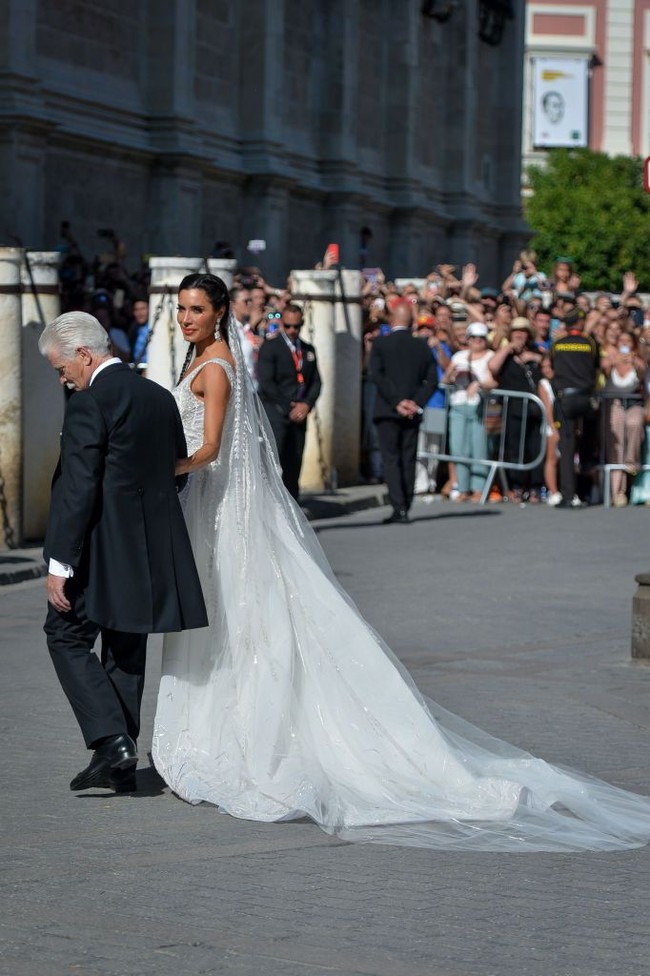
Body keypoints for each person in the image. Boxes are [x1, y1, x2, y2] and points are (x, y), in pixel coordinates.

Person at [152, 272, 650, 853]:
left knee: (240, 619)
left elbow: (209, 448)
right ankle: (218, 727)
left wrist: (167, 467)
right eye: (180, 309)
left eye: (196, 309)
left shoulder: (214, 367)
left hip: (220, 506)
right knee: (225, 617)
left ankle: (245, 738)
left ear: (218, 315)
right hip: (209, 509)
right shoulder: (200, 358)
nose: (186, 318)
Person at [39, 311, 208, 794]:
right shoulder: (158, 396)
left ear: (84, 355)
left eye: (61, 367)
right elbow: (180, 469)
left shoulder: (91, 402)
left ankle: (112, 740)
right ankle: (119, 762)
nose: (62, 377)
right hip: (150, 545)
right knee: (126, 646)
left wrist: (59, 562)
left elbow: (78, 487)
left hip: (95, 548)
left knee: (65, 636)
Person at [369, 300, 438, 522]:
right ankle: (405, 504)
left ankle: (398, 505)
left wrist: (398, 402)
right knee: (408, 457)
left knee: (392, 459)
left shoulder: (381, 344)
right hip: (410, 412)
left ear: (392, 319)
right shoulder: (422, 346)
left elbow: (377, 376)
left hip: (388, 410)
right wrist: (415, 403)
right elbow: (431, 380)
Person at [257, 303, 322, 500]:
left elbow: (317, 382)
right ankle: (270, 504)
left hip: (299, 414)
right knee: (273, 461)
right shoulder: (270, 347)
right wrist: (289, 406)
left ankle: (293, 503)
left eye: (297, 326)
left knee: (294, 462)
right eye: (288, 326)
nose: (293, 330)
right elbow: (266, 382)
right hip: (277, 413)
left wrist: (306, 404)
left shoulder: (308, 349)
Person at [488, 318, 544, 503]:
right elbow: (493, 367)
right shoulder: (506, 356)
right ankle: (516, 486)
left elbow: (549, 367)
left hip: (535, 410)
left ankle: (535, 488)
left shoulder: (536, 352)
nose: (519, 335)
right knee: (515, 449)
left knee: (535, 448)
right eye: (515, 331)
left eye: (523, 331)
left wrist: (535, 358)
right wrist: (508, 347)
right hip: (513, 409)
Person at [551, 308, 600, 507]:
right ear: (579, 323)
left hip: (566, 399)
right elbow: (596, 367)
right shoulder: (590, 342)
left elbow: (553, 365)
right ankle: (587, 466)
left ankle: (568, 494)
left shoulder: (558, 344)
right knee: (589, 436)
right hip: (586, 397)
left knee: (567, 445)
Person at [443, 322, 495, 502]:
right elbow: (445, 379)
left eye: (481, 338)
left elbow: (494, 382)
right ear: (468, 339)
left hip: (479, 407)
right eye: (473, 338)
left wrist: (479, 383)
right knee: (458, 448)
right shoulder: (459, 356)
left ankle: (478, 489)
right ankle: (463, 488)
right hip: (458, 404)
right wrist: (451, 376)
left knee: (479, 448)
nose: (477, 341)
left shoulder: (490, 356)